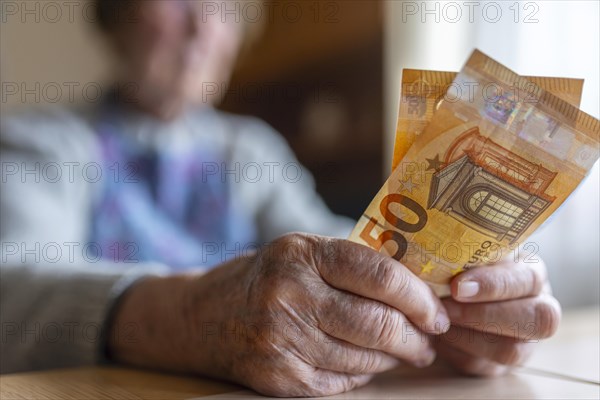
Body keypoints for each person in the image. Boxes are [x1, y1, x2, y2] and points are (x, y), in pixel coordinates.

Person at [0, 0, 561, 397]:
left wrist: (456, 292)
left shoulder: (249, 147)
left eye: (222, 5)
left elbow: (332, 243)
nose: (200, 24)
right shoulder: (42, 141)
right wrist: (191, 318)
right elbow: (13, 286)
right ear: (117, 16)